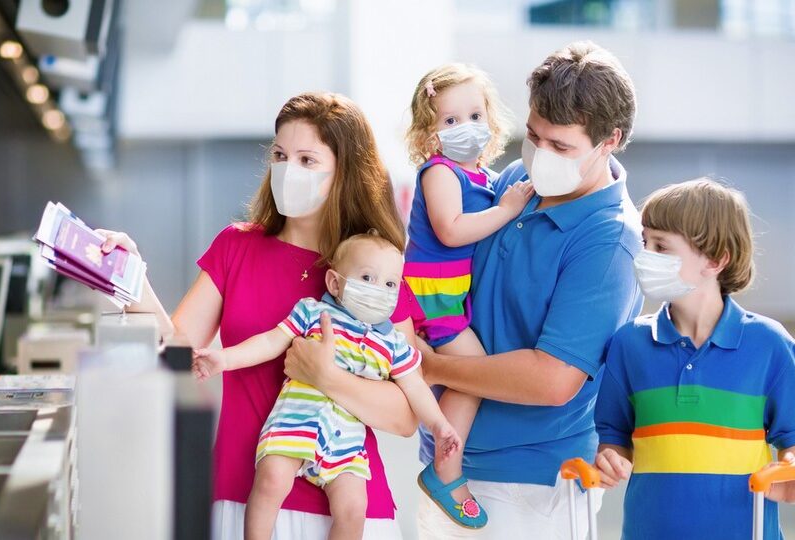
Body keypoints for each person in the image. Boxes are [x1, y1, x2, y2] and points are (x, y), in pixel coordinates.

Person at [98, 92, 417, 539]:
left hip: (351, 512)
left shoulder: (375, 273)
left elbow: (405, 416)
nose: (289, 171)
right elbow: (177, 347)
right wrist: (130, 275)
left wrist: (327, 377)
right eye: (281, 156)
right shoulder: (237, 247)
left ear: (344, 172)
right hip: (246, 501)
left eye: (308, 159)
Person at [408, 41, 643, 539]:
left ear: (609, 141)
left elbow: (552, 380)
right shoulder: (519, 180)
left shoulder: (610, 240)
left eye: (561, 147)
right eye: (534, 137)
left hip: (533, 487)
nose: (541, 155)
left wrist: (427, 366)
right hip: (448, 470)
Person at [193, 231, 462, 540]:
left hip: (346, 443)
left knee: (353, 509)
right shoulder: (313, 312)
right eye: (367, 277)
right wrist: (223, 359)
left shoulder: (392, 343)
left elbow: (414, 387)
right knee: (269, 481)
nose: (380, 290)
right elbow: (270, 341)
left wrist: (440, 426)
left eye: (390, 284)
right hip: (295, 423)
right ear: (335, 283)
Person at [593, 179, 795, 539]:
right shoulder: (628, 345)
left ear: (716, 260)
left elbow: (794, 446)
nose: (645, 256)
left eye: (662, 246)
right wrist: (611, 459)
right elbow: (615, 437)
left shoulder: (769, 345)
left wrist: (791, 474)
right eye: (645, 242)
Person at [402, 63, 532, 528]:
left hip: (452, 299)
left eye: (475, 115)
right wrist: (506, 209)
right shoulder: (439, 173)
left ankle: (443, 456)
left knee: (466, 376)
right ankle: (444, 469)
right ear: (430, 132)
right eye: (450, 121)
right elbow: (452, 231)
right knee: (474, 374)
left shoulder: (477, 173)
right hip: (433, 299)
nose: (466, 128)